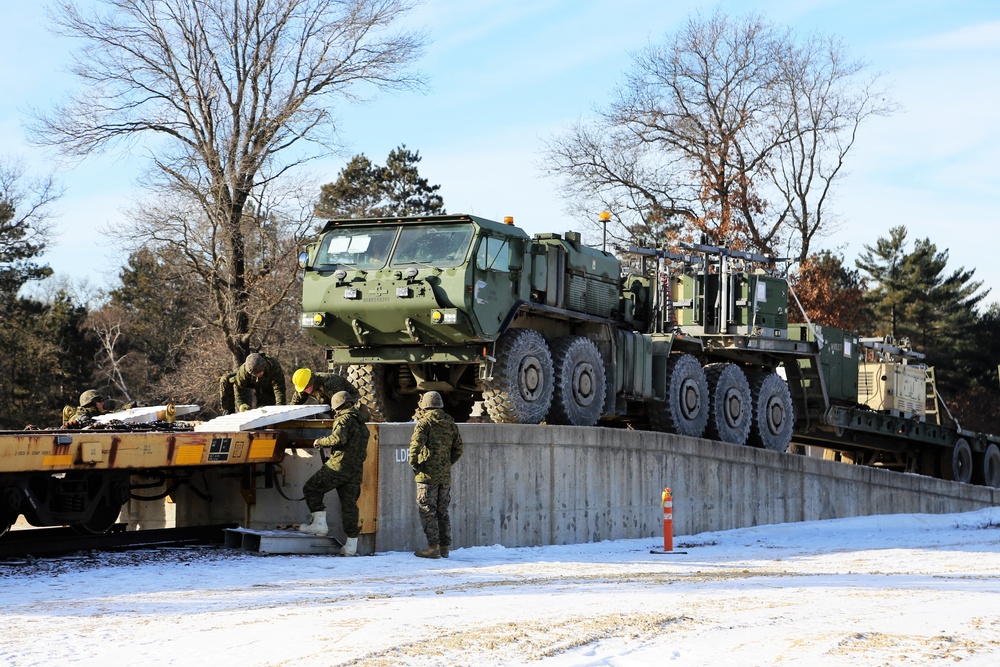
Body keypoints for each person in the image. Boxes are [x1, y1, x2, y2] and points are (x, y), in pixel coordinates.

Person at [298, 391, 369, 556]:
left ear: (337, 406)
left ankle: (319, 525)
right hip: (355, 470)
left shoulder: (344, 419)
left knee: (311, 488)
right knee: (349, 506)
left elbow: (338, 439)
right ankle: (351, 546)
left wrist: (320, 441)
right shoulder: (361, 421)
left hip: (338, 466)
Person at [408, 391, 464, 559]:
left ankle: (433, 547)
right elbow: (458, 449)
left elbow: (414, 449)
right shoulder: (450, 423)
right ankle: (445, 547)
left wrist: (416, 465)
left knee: (427, 510)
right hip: (444, 475)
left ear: (425, 405)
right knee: (442, 511)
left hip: (427, 476)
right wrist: (446, 464)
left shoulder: (425, 423)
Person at [219, 352, 286, 414]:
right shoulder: (243, 371)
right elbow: (238, 387)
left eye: (259, 373)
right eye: (255, 374)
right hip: (250, 382)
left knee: (266, 406)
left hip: (267, 384)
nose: (257, 375)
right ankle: (229, 411)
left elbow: (279, 389)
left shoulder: (273, 365)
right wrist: (241, 404)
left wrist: (279, 408)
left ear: (264, 367)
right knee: (225, 379)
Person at [290, 368, 359, 406]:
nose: (304, 391)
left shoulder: (331, 383)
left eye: (305, 388)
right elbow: (295, 403)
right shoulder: (303, 384)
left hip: (348, 398)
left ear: (311, 382)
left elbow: (341, 404)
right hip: (327, 400)